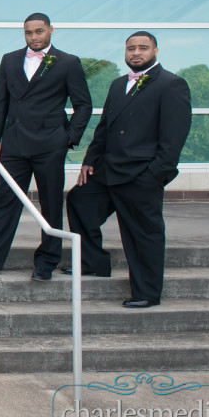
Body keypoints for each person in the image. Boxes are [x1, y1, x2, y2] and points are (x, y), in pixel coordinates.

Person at [0, 13, 92, 280]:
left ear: (51, 30)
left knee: (51, 204)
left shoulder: (68, 62)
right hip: (14, 144)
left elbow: (83, 105)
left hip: (50, 144)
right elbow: (1, 101)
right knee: (4, 201)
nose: (34, 37)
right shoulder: (10, 59)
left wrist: (68, 137)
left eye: (39, 31)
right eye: (29, 33)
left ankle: (47, 262)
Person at [66, 32, 191, 309]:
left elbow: (174, 137)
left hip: (141, 174)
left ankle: (147, 292)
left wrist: (156, 174)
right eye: (131, 48)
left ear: (156, 50)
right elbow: (105, 129)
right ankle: (94, 263)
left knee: (142, 233)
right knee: (79, 200)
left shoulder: (172, 84)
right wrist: (90, 160)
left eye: (143, 48)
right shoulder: (118, 84)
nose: (136, 52)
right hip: (109, 169)